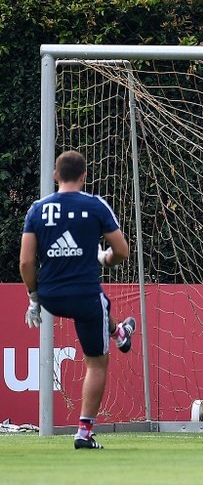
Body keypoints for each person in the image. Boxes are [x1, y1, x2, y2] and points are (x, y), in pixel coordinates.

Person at [20, 150, 136, 450]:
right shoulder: (95, 205)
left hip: (51, 297)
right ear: (84, 177)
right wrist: (106, 259)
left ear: (55, 176)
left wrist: (34, 298)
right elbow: (122, 251)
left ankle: (119, 332)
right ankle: (83, 433)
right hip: (85, 297)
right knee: (97, 363)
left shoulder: (37, 209)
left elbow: (25, 262)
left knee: (102, 305)